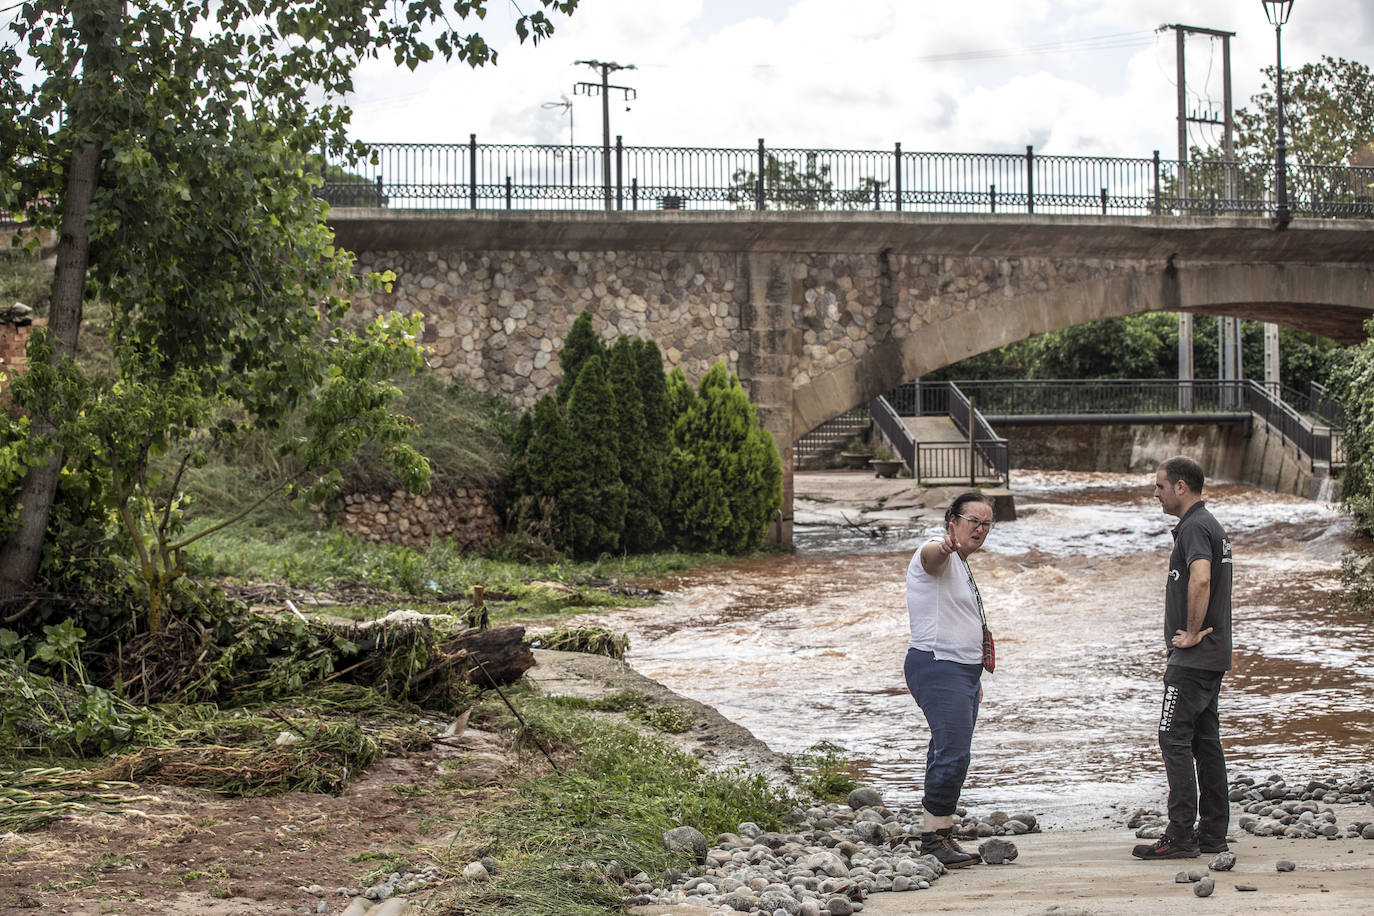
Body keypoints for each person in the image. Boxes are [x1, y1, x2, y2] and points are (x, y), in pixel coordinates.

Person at [1132, 455, 1234, 860]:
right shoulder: (1211, 525)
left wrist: (1190, 634)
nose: (1154, 493)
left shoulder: (1194, 527)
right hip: (1213, 657)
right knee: (1205, 742)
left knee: (1172, 737)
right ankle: (1212, 834)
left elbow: (1202, 576)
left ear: (1180, 487)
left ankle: (1179, 836)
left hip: (1193, 660)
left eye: (1159, 486)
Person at [904, 491, 996, 868]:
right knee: (954, 753)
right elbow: (931, 557)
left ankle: (940, 834)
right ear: (952, 522)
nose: (980, 528)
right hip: (938, 664)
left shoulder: (961, 563)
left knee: (945, 749)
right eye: (973, 520)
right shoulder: (936, 552)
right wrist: (943, 547)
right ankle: (933, 841)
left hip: (963, 670)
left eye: (987, 523)